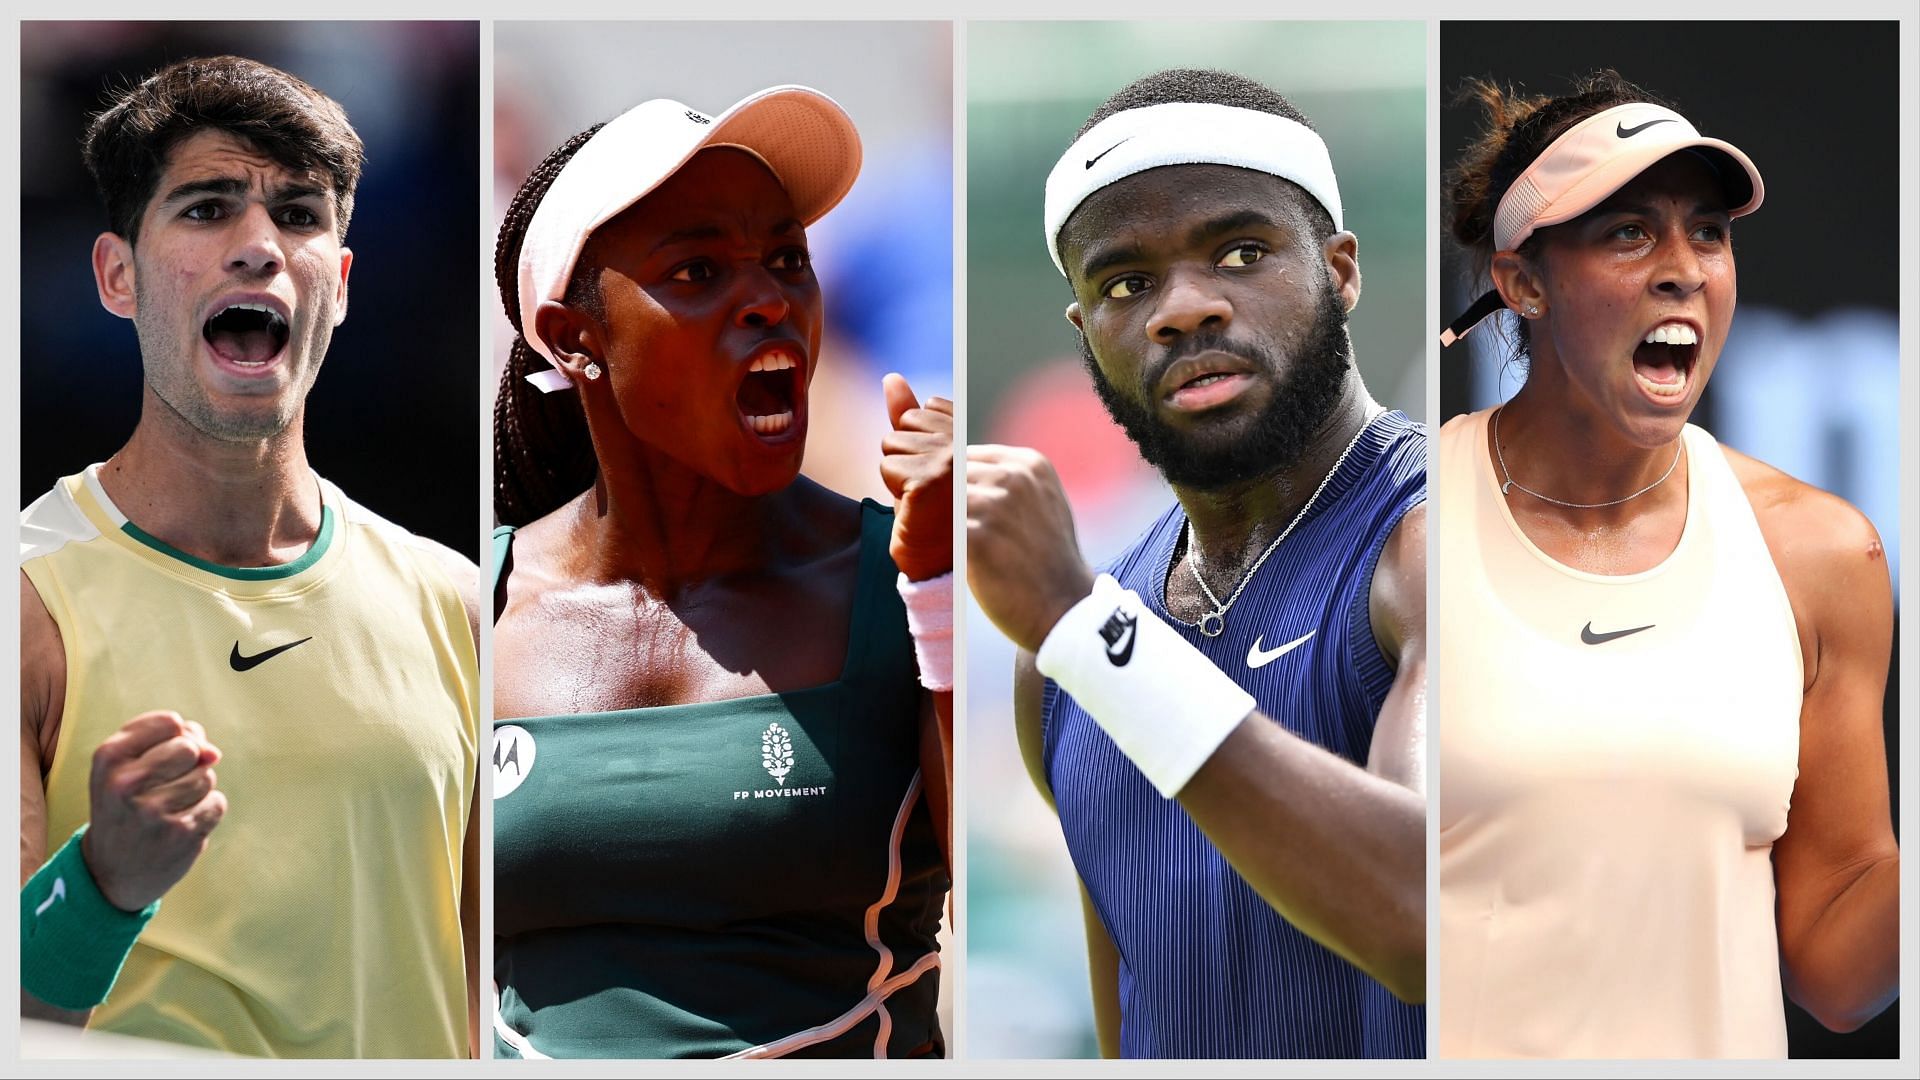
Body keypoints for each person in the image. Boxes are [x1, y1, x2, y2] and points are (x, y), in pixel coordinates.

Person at [18, 55, 480, 1058]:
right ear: (117, 276)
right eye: (207, 208)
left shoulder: (459, 601)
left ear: (342, 286)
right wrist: (101, 883)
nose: (260, 247)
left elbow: (500, 1004)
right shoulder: (26, 604)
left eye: (302, 215)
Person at [1436, 71, 1899, 1058]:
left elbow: (1837, 974)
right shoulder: (1397, 528)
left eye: (1710, 232)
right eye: (1629, 232)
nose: (1686, 268)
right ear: (1522, 282)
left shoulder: (1823, 553)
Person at [967, 69, 1427, 1059]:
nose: (1183, 308)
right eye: (1125, 282)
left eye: (1240, 251)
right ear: (1086, 330)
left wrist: (1089, 635)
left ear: (1341, 269)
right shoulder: (1060, 664)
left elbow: (1431, 919)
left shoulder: (1446, 539)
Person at [489, 85, 954, 1059]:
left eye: (788, 259)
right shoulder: (472, 604)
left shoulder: (911, 578)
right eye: (698, 269)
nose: (770, 299)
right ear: (576, 342)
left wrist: (948, 588)